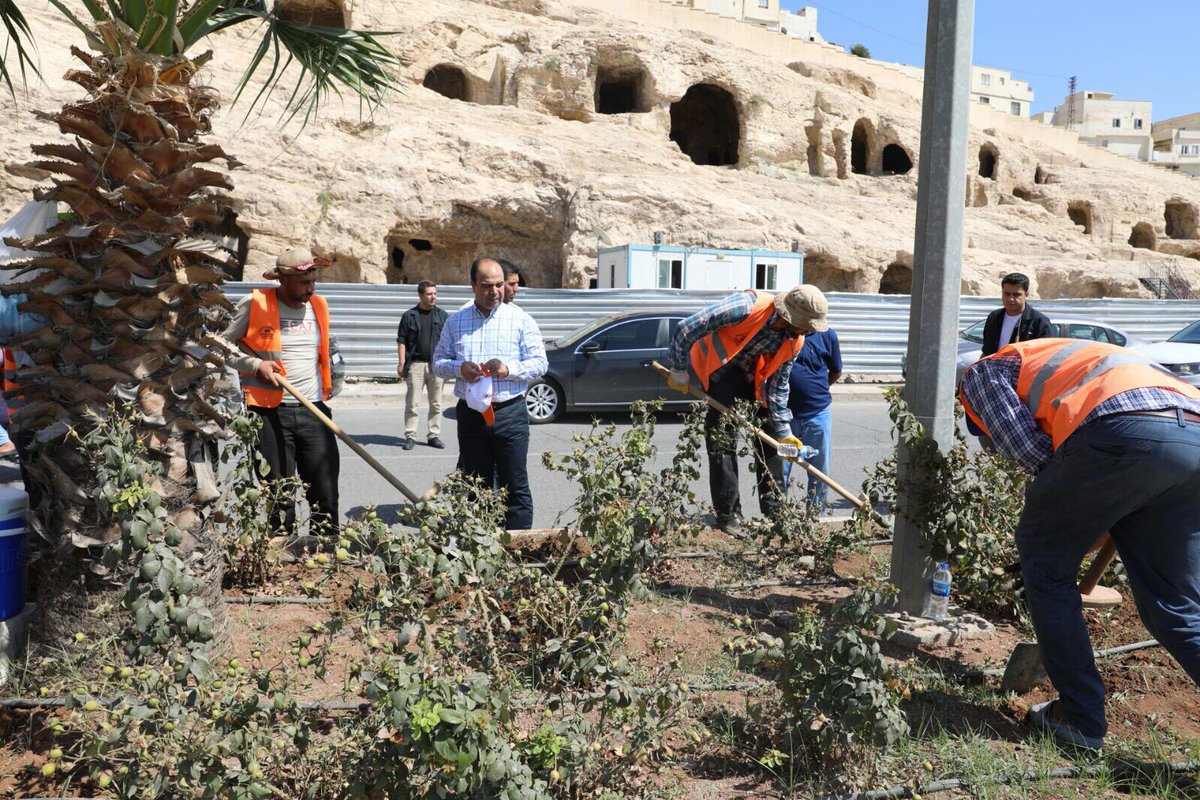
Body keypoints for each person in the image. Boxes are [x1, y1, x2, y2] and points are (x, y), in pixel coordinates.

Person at [960, 338, 1200, 752]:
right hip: (1192, 438)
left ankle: (1080, 718)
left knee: (1045, 565)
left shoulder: (981, 373)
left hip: (1122, 432)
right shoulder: (1073, 357)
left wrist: (1060, 537)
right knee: (1177, 606)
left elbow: (1033, 452)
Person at [667, 285, 828, 536]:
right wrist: (678, 368)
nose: (807, 330)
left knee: (773, 440)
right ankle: (728, 514)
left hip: (754, 378)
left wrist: (784, 431)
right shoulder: (746, 306)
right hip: (720, 371)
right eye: (805, 324)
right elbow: (686, 328)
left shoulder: (795, 340)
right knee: (723, 439)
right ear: (788, 316)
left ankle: (776, 512)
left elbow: (778, 386)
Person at [224, 248, 340, 536]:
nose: (310, 288)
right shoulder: (254, 304)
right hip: (268, 412)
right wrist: (254, 364)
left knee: (324, 490)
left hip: (314, 409)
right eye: (303, 282)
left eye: (313, 280)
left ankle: (324, 547)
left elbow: (328, 349)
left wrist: (337, 381)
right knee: (279, 493)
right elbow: (221, 345)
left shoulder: (319, 306)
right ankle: (281, 552)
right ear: (283, 279)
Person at [434, 257, 547, 530]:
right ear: (472, 286)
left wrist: (508, 369)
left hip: (510, 413)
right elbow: (437, 363)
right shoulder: (455, 322)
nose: (494, 291)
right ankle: (479, 550)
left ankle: (519, 552)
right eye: (486, 286)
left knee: (515, 485)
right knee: (475, 485)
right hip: (472, 415)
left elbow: (540, 363)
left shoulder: (520, 320)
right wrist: (459, 368)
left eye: (498, 285)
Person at [782, 328, 842, 511]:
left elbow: (836, 371)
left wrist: (816, 392)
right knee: (780, 470)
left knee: (819, 471)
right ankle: (778, 515)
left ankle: (815, 515)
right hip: (784, 420)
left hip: (818, 415)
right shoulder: (781, 332)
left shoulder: (827, 335)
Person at [396, 281, 448, 450]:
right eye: (429, 294)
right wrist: (402, 363)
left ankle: (433, 435)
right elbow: (402, 341)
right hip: (415, 366)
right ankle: (410, 435)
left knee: (436, 403)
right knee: (412, 403)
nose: (433, 297)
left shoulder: (443, 316)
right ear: (420, 295)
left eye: (435, 293)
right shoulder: (409, 316)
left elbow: (449, 341)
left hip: (436, 365)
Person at [981, 272, 1052, 357]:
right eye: (1007, 294)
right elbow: (986, 351)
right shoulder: (994, 317)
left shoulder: (1039, 322)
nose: (1011, 299)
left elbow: (1045, 356)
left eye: (1016, 295)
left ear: (1026, 294)